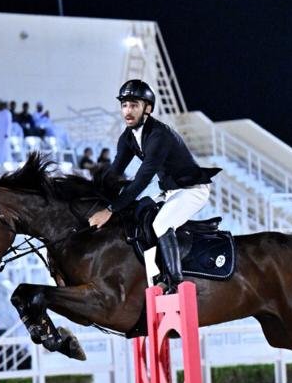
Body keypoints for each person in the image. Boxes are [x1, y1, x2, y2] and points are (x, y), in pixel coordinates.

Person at [87, 79, 219, 289]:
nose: (127, 111)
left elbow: (141, 180)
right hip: (170, 190)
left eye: (134, 105)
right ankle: (152, 278)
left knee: (161, 224)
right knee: (139, 217)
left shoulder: (159, 135)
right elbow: (114, 172)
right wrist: (90, 194)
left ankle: (173, 282)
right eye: (124, 105)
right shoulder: (128, 137)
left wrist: (110, 209)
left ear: (147, 108)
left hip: (192, 189)